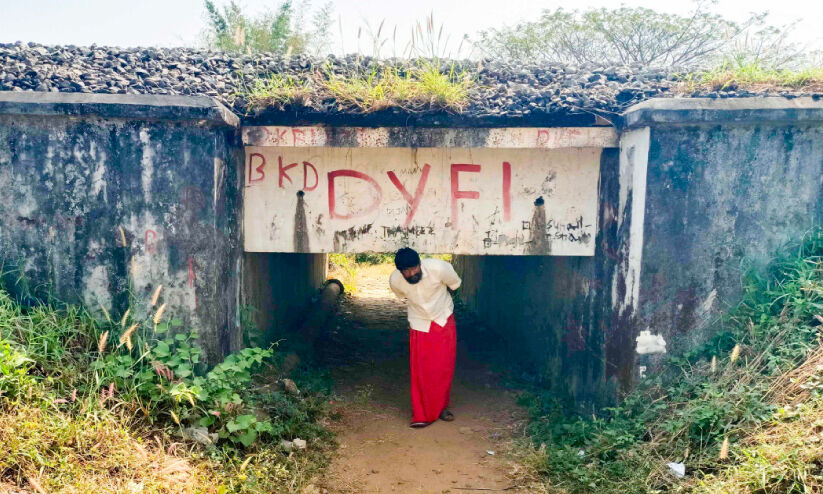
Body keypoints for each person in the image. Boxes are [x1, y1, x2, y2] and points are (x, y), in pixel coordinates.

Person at [389, 247, 462, 428]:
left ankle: (442, 408)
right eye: (405, 271)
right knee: (422, 371)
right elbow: (402, 296)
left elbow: (455, 285)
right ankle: (422, 414)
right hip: (419, 324)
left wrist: (443, 306)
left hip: (443, 319)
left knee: (444, 367)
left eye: (414, 268)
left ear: (420, 263)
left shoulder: (440, 268)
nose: (411, 274)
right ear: (399, 271)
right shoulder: (395, 280)